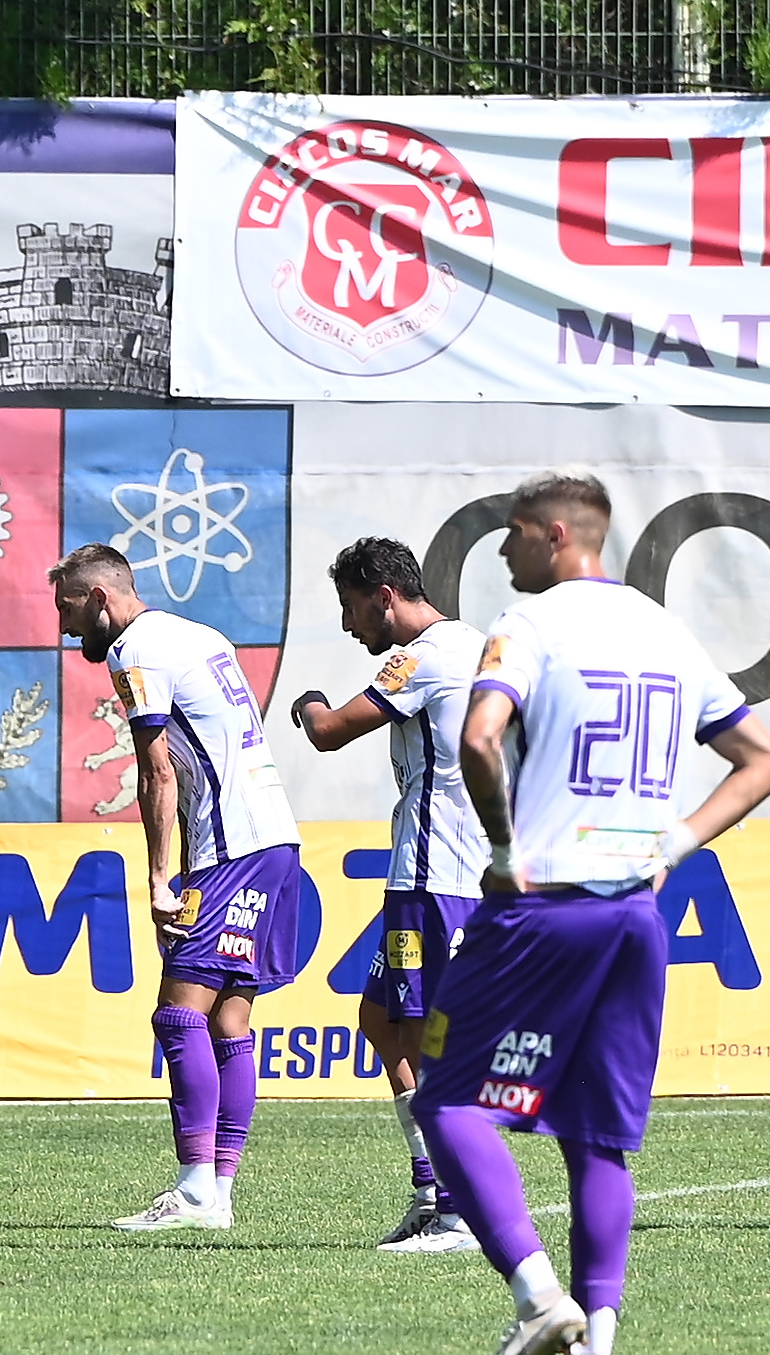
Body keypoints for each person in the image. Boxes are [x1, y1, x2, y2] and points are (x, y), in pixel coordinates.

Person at [415, 474, 770, 1355]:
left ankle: (537, 1297)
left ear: (551, 536)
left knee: (447, 1102)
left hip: (543, 905)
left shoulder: (530, 625)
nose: (501, 554)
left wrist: (502, 849)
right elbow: (765, 762)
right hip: (632, 913)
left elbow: (480, 734)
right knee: (595, 1138)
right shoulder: (665, 631)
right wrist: (671, 844)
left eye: (509, 536)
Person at [49, 543, 302, 1232]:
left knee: (178, 1015)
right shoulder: (198, 634)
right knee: (228, 1020)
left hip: (231, 850)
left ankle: (195, 1191)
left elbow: (157, 773)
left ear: (100, 598)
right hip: (274, 839)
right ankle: (214, 1193)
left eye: (68, 609)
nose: (66, 627)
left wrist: (160, 877)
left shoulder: (135, 652)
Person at [288, 537, 486, 1255]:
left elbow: (330, 732)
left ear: (382, 595)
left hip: (436, 874)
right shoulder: (475, 644)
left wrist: (304, 702)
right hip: (444, 870)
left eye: (349, 608)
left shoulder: (422, 654)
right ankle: (432, 1188)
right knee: (379, 1017)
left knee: (429, 1037)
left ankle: (459, 1209)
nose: (348, 627)